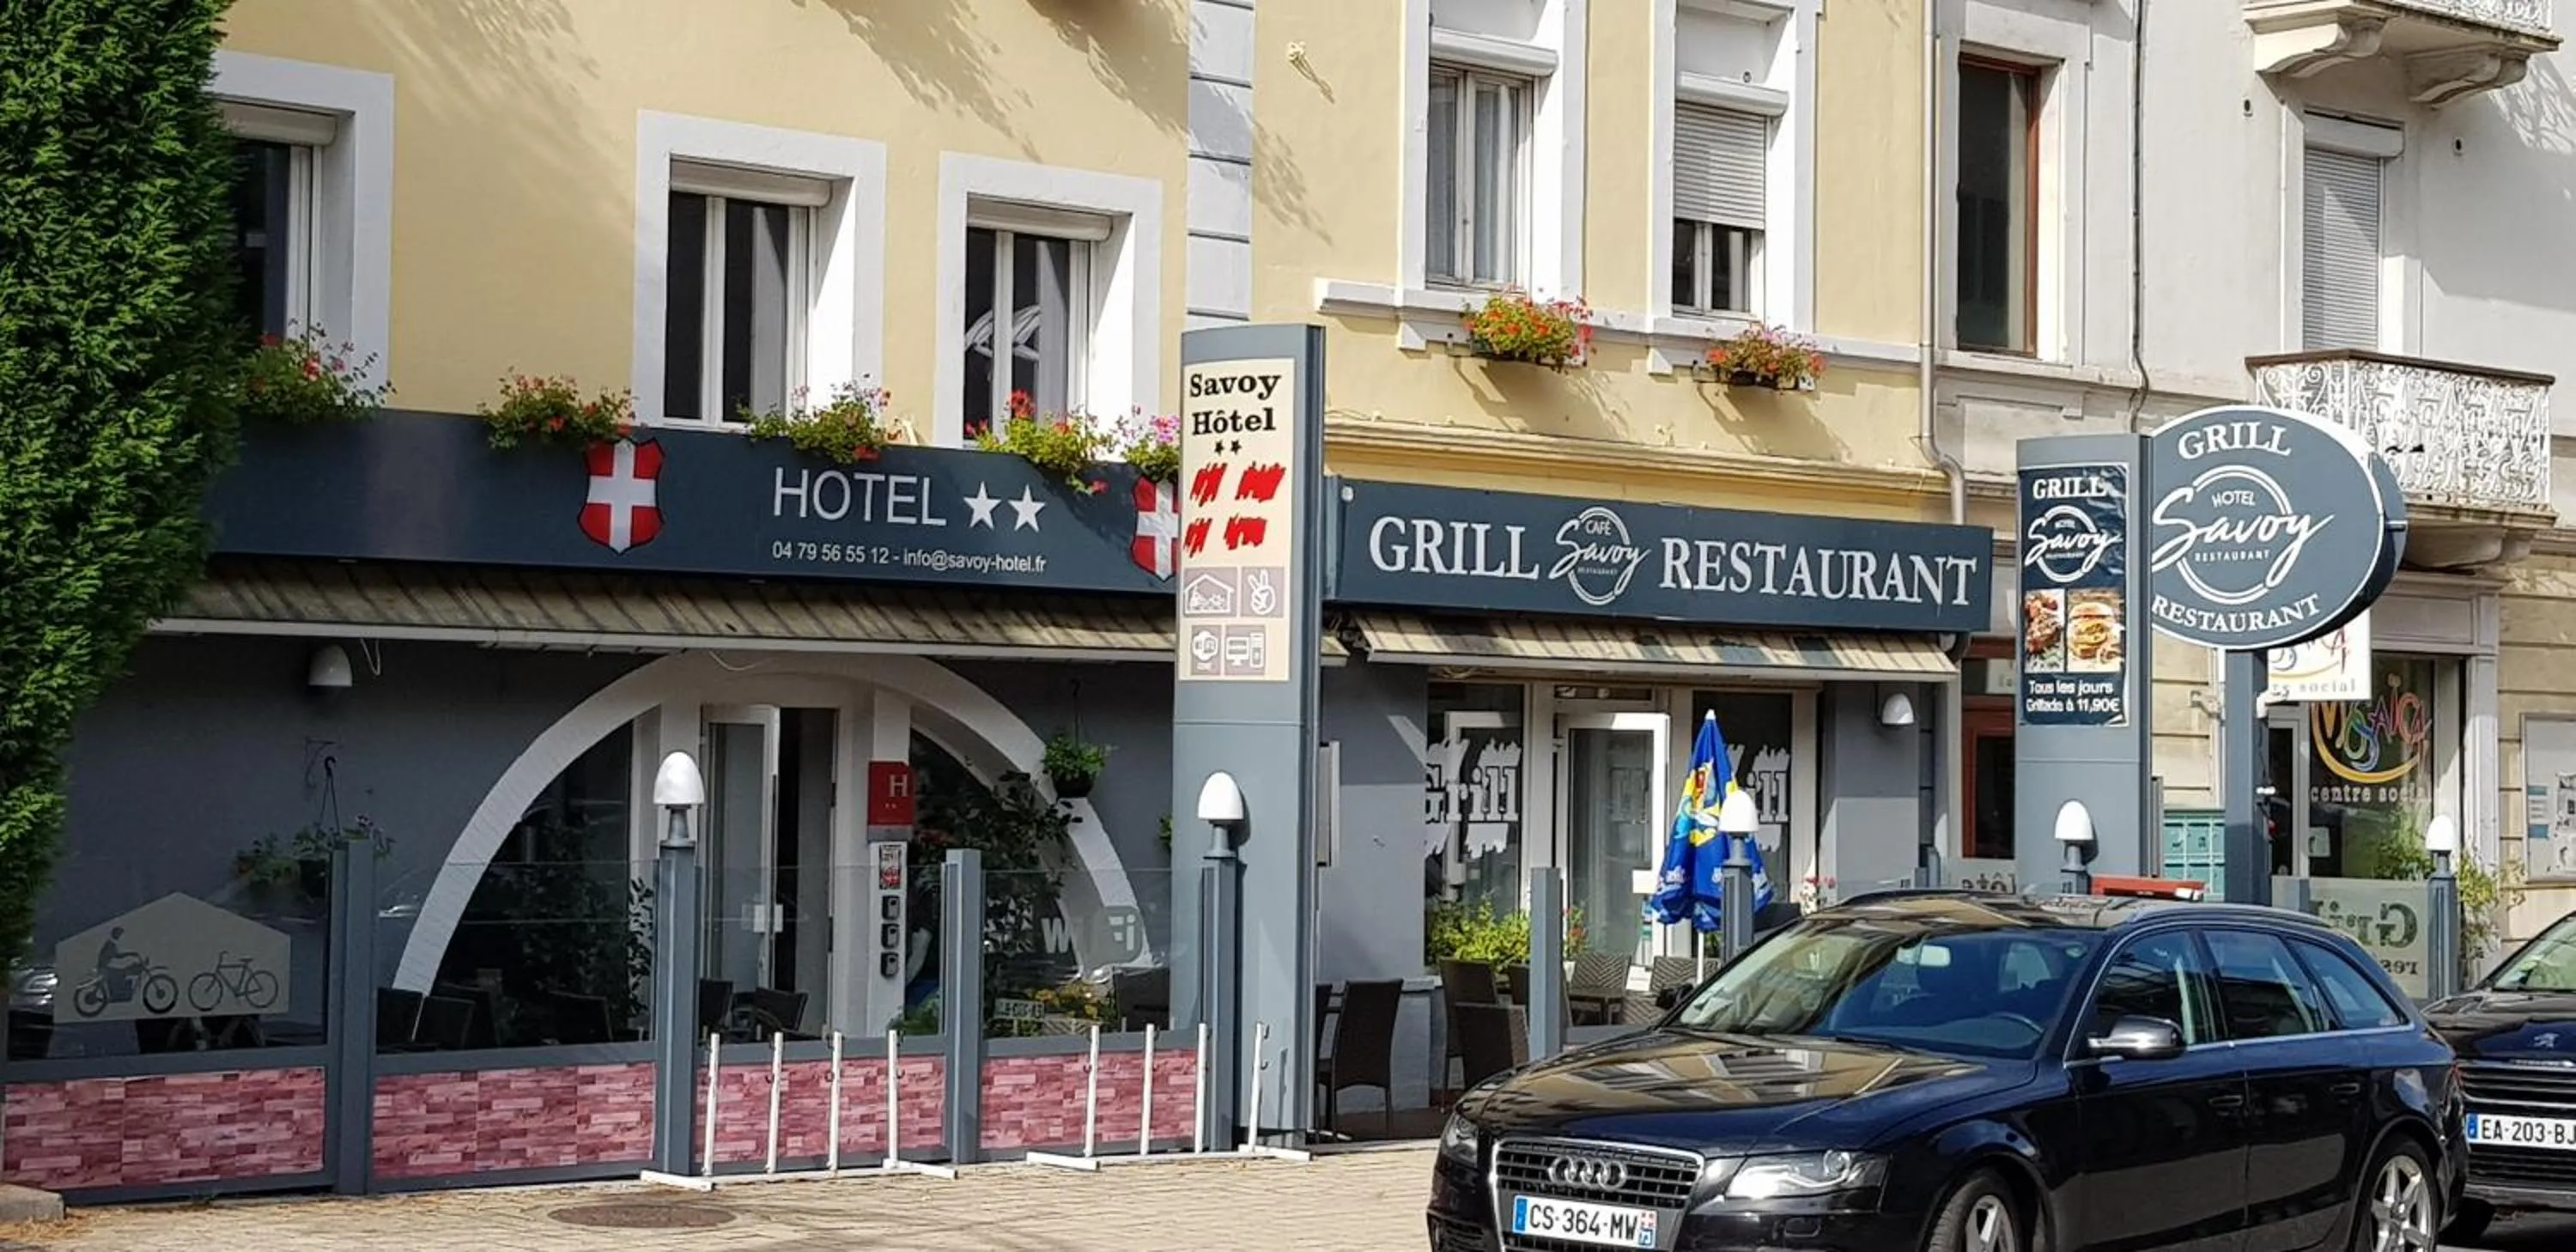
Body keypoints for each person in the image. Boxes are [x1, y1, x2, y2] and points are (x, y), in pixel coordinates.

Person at [95, 927, 149, 997]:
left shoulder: (111, 943)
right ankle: (141, 966)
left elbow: (116, 956)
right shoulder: (111, 944)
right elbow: (118, 956)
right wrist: (131, 953)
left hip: (107, 967)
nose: (120, 935)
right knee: (127, 970)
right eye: (119, 934)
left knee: (128, 968)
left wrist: (130, 954)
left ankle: (140, 966)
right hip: (106, 968)